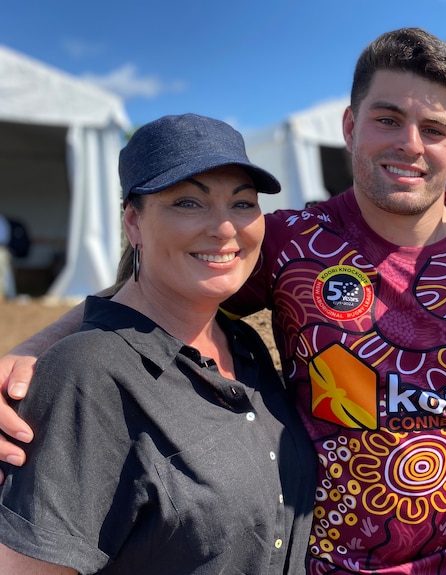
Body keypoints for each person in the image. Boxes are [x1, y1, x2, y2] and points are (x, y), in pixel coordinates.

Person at [0, 29, 446, 575]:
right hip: (319, 563)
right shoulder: (285, 242)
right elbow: (152, 287)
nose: (410, 143)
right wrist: (31, 351)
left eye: (434, 129)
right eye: (386, 119)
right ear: (350, 128)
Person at [0, 113, 316, 573]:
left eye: (243, 203)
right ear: (133, 222)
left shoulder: (243, 343)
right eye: (188, 203)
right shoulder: (84, 377)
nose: (224, 228)